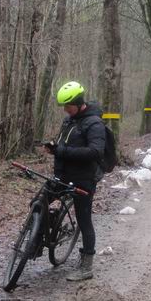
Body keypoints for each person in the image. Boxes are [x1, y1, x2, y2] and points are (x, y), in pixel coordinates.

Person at [44, 81, 106, 282]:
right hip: (62, 176)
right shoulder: (68, 120)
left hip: (83, 180)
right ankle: (39, 236)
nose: (65, 110)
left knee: (84, 220)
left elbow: (95, 152)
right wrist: (55, 147)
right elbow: (64, 144)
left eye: (68, 106)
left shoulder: (94, 124)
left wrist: (63, 151)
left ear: (79, 103)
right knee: (39, 202)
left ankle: (86, 266)